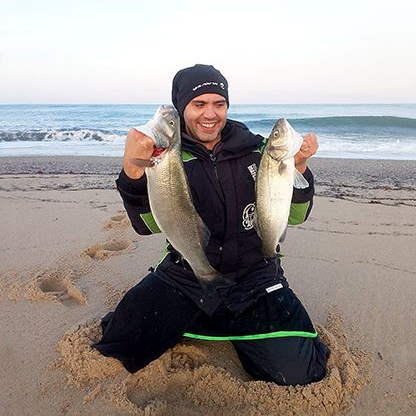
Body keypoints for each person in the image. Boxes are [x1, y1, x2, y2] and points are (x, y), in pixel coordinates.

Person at [94, 64, 329, 386]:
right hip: (184, 272)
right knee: (117, 347)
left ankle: (222, 324)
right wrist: (132, 171)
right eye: (198, 104)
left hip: (256, 275)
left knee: (302, 372)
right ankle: (218, 322)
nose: (210, 114)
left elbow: (295, 216)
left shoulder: (258, 150)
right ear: (182, 108)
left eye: (219, 103)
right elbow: (146, 226)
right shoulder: (164, 157)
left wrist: (299, 166)